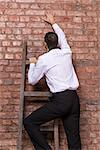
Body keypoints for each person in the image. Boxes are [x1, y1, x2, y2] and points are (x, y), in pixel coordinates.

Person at [23, 14, 81, 150]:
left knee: (29, 122)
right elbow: (63, 37)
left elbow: (32, 80)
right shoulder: (67, 52)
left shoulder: (44, 59)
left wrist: (32, 64)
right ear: (58, 43)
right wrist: (53, 23)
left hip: (61, 101)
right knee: (74, 139)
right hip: (74, 99)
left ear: (45, 45)